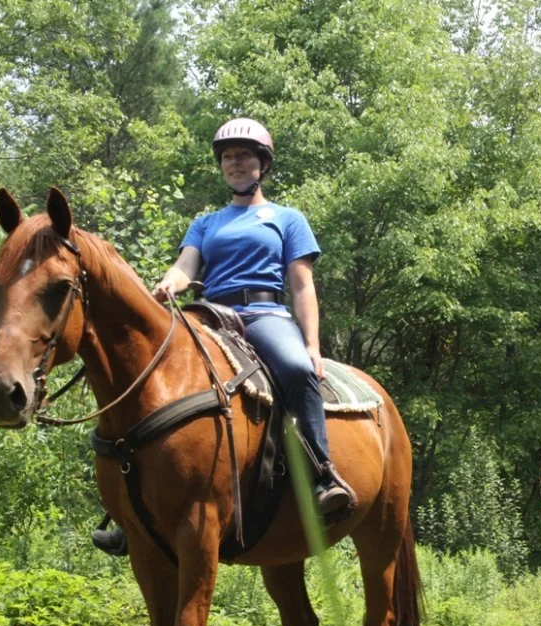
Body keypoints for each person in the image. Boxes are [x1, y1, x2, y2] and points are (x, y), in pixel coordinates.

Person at [92, 117, 356, 556]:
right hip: (210, 313)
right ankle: (129, 510)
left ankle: (322, 476)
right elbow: (186, 266)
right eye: (228, 158)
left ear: (262, 164)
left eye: (244, 157)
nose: (236, 164)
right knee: (151, 378)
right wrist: (169, 283)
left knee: (293, 368)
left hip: (264, 313)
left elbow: (302, 284)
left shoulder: (287, 219)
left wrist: (312, 344)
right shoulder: (205, 223)